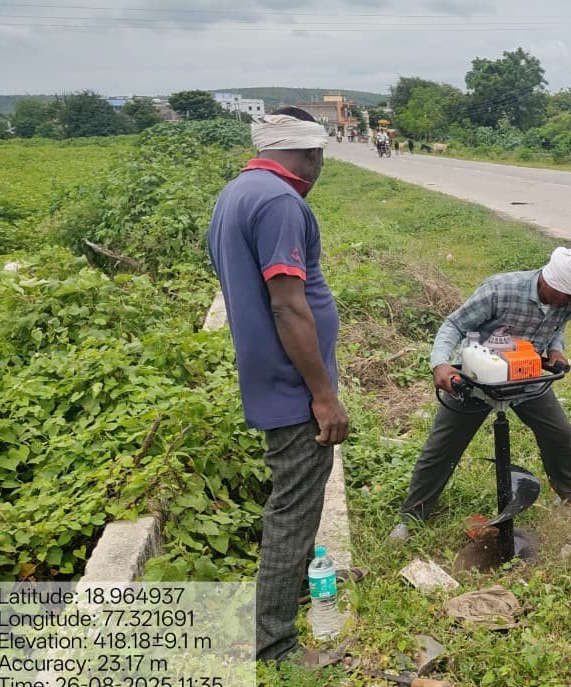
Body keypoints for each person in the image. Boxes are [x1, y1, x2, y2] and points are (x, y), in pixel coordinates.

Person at [207, 107, 350, 663]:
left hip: (270, 377)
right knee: (292, 507)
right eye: (321, 159)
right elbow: (288, 304)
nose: (320, 169)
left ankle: (288, 594)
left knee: (295, 501)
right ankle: (276, 644)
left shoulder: (238, 193)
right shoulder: (280, 203)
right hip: (294, 389)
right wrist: (323, 394)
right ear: (311, 154)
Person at [390, 247, 571, 542]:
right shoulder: (501, 289)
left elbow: (557, 327)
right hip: (479, 380)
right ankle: (412, 517)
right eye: (568, 297)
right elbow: (453, 324)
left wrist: (556, 349)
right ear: (550, 281)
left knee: (561, 435)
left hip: (525, 379)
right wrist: (440, 363)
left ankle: (569, 493)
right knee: (442, 448)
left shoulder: (567, 300)